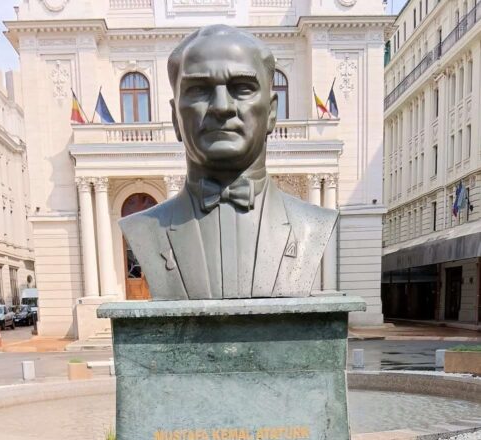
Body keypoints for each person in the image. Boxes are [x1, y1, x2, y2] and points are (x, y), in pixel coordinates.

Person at [120, 25, 337, 300]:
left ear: (272, 112)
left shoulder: (311, 225)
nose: (222, 106)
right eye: (199, 90)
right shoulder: (143, 228)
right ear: (175, 118)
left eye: (242, 88)